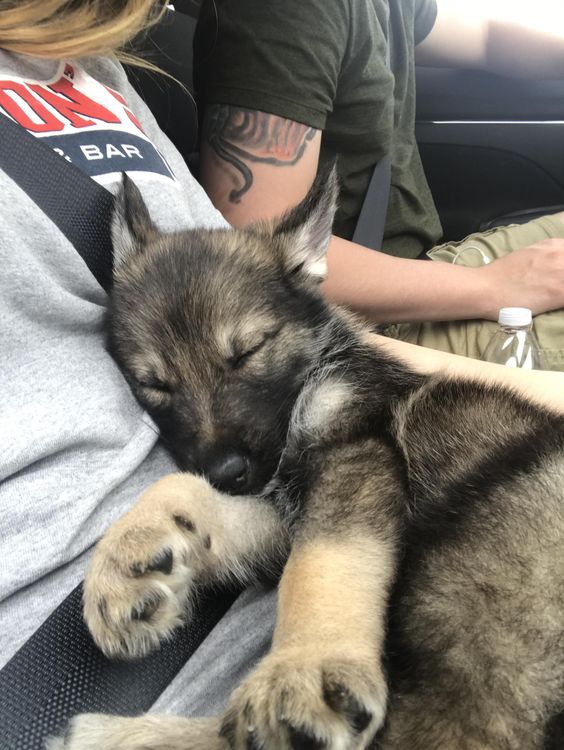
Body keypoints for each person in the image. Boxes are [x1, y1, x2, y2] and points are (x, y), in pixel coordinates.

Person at [2, 0, 564, 733]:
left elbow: (290, 315)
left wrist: (533, 389)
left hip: (379, 491)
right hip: (189, 653)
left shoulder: (91, 64)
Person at [193, 0, 564, 369]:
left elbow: (486, 37)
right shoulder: (288, 12)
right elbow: (260, 258)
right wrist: (493, 287)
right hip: (366, 332)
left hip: (425, 276)